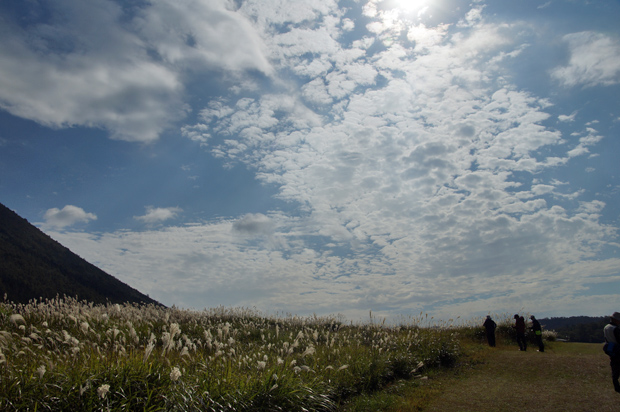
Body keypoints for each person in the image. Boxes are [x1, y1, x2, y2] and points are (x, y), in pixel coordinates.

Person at [603, 311, 620, 393]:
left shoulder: (606, 327)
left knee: (615, 370)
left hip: (611, 350)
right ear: (616, 320)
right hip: (618, 350)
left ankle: (617, 387)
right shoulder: (616, 329)